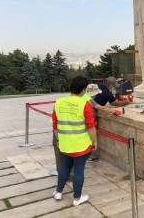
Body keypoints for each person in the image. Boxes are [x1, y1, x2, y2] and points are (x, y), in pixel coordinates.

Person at [51, 76, 97, 206]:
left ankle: (58, 192)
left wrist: (59, 140)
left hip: (65, 143)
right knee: (78, 169)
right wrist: (95, 142)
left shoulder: (58, 102)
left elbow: (55, 124)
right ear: (83, 90)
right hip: (81, 144)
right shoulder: (85, 104)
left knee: (65, 165)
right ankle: (77, 198)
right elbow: (91, 126)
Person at [83, 83, 122, 162]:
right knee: (87, 137)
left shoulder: (83, 96)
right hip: (85, 124)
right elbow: (102, 108)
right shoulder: (89, 99)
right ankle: (87, 155)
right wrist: (115, 111)